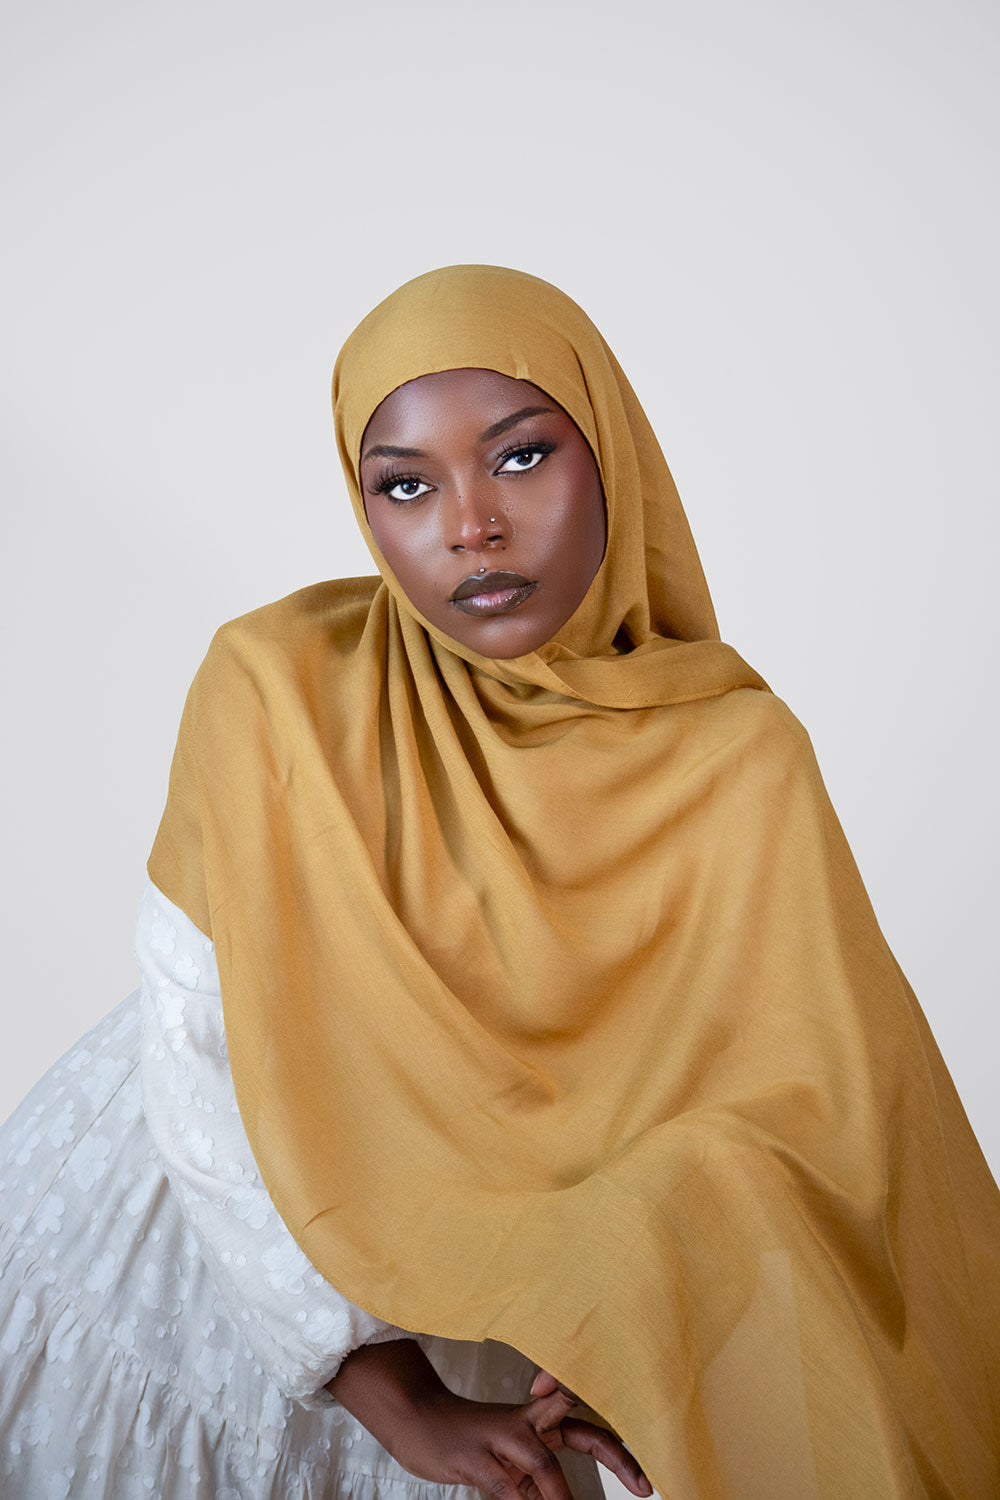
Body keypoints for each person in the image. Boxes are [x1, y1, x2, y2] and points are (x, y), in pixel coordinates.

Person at [1, 264, 998, 1500]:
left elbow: (811, 1121)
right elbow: (197, 1044)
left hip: (523, 1290)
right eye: (405, 486)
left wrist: (653, 1307)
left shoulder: (736, 757)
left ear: (611, 459)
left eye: (520, 459)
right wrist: (394, 1396)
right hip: (231, 1241)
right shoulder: (276, 688)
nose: (468, 525)